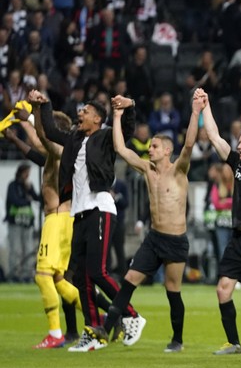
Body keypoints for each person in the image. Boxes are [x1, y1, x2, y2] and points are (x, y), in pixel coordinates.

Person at [83, 94, 199, 352]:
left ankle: (177, 340)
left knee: (173, 290)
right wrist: (116, 116)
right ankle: (107, 328)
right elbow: (122, 149)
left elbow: (189, 144)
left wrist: (195, 110)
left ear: (167, 150)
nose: (150, 149)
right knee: (128, 280)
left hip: (176, 240)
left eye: (155, 146)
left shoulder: (179, 170)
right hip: (154, 238)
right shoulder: (147, 170)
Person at [35, 91, 146, 352]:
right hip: (79, 212)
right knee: (80, 278)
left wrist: (130, 105)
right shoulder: (74, 139)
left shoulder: (107, 136)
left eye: (85, 111)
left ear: (98, 118)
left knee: (97, 272)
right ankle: (94, 331)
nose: (80, 114)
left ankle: (131, 314)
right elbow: (50, 131)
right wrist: (44, 103)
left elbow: (127, 130)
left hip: (100, 207)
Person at [4, 109, 81, 348]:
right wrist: (16, 133)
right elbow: (34, 148)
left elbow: (41, 139)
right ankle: (103, 316)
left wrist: (28, 118)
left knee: (42, 275)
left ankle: (56, 333)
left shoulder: (60, 149)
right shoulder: (55, 155)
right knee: (59, 279)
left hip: (57, 218)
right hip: (61, 218)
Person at [198, 89, 241, 356]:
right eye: (239, 142)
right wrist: (205, 107)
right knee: (223, 289)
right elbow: (214, 137)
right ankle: (234, 343)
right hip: (239, 236)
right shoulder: (237, 164)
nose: (239, 146)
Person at [5, 162, 38, 283]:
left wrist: (30, 190)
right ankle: (14, 274)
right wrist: (26, 200)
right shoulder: (13, 185)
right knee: (16, 249)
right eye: (26, 173)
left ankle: (27, 274)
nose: (27, 175)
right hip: (15, 222)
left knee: (28, 248)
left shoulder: (28, 186)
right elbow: (14, 200)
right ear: (21, 172)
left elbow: (37, 198)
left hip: (27, 222)